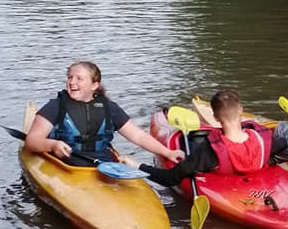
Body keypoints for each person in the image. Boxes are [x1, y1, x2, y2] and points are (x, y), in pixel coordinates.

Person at [25, 61, 184, 166]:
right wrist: (52, 144)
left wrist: (167, 152)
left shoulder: (109, 107)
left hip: (102, 165)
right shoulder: (56, 106)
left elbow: (139, 136)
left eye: (79, 79)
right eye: (70, 77)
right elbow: (31, 141)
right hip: (65, 164)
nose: (72, 82)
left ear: (94, 85)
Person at [117, 89, 288, 185]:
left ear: (214, 117)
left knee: (191, 148)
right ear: (241, 110)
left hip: (219, 175)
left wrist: (135, 164)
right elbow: (286, 144)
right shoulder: (263, 139)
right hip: (256, 180)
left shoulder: (210, 152)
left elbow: (168, 179)